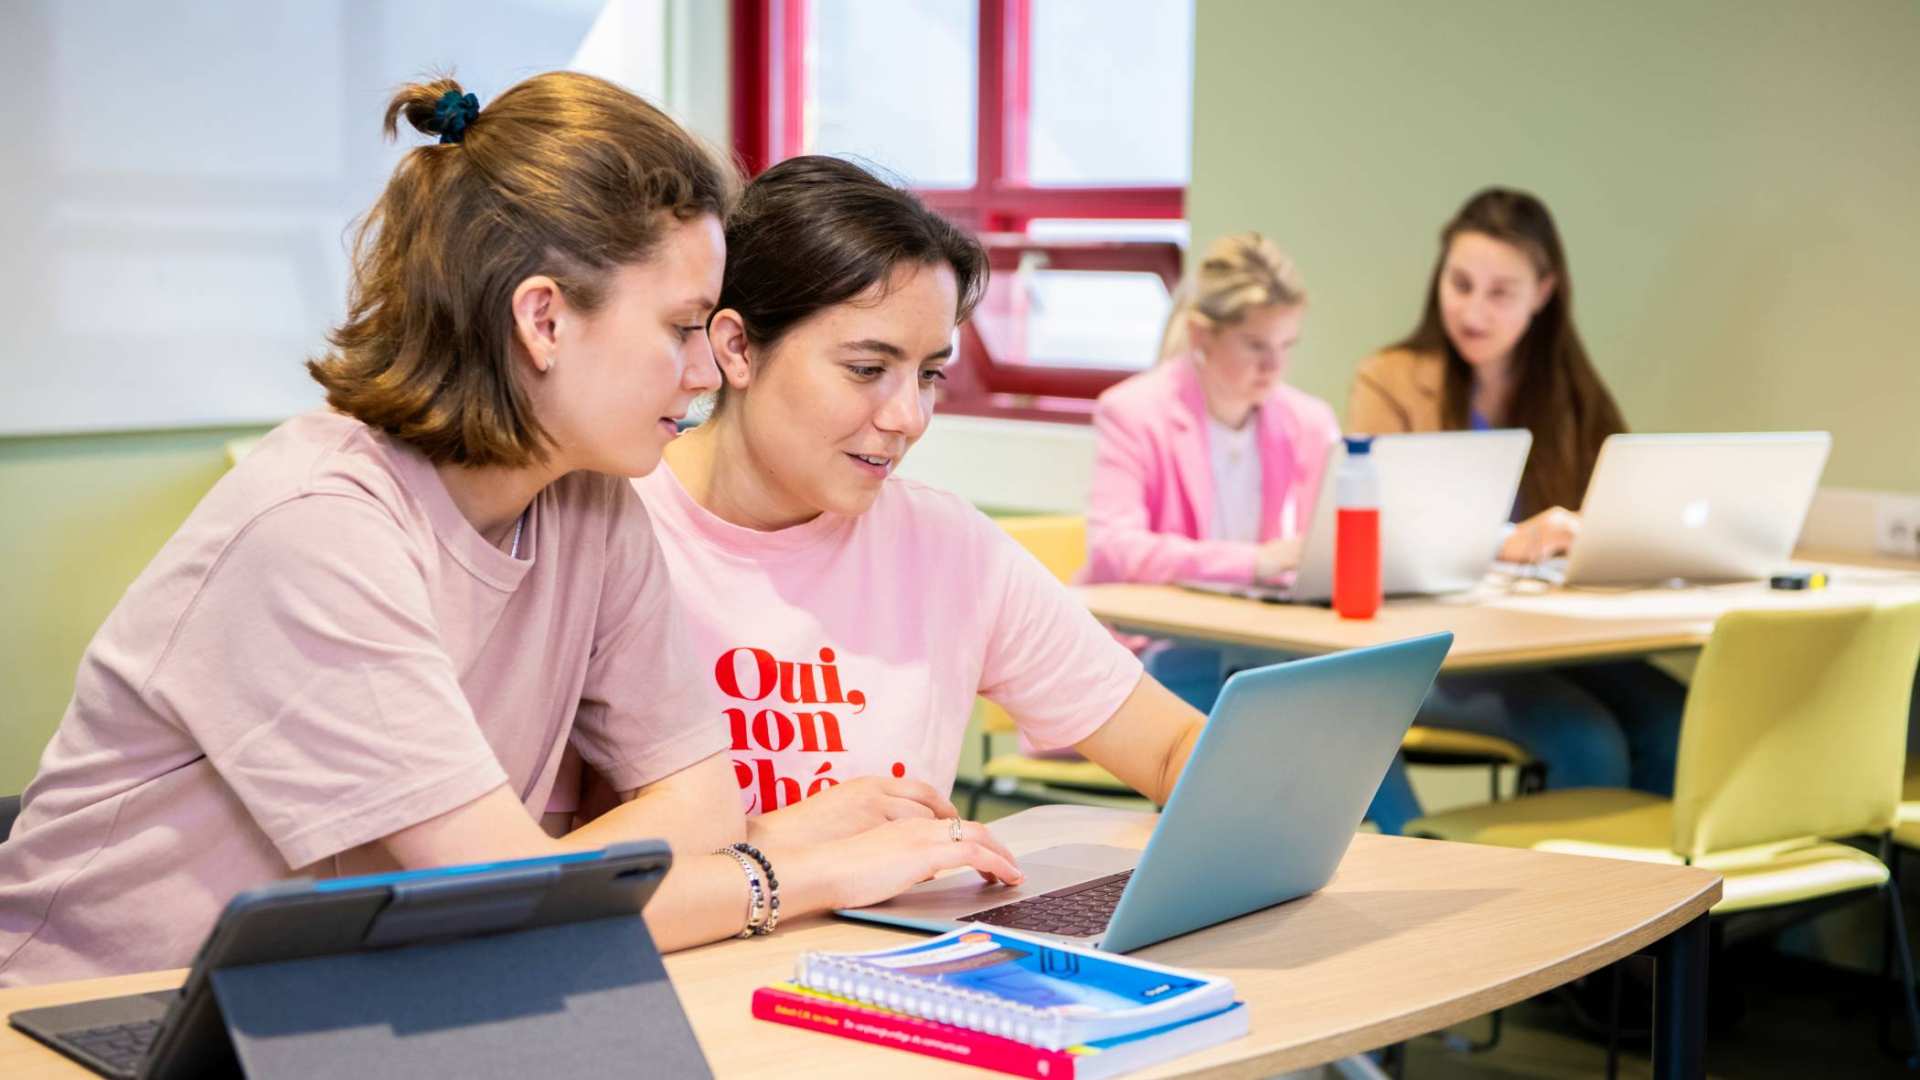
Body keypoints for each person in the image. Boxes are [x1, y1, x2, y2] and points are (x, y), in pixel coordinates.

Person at [0, 75, 1017, 987]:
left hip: (363, 1001)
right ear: (543, 320)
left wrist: (668, 864)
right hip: (97, 1020)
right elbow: (496, 903)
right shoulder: (317, 528)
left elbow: (692, 813)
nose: (708, 374)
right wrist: (780, 870)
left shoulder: (592, 503)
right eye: (678, 329)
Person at [560, 155, 1209, 842]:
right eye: (867, 370)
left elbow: (1170, 748)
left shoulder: (947, 546)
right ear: (738, 347)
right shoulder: (601, 531)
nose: (909, 417)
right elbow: (522, 868)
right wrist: (778, 839)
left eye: (929, 375)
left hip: (893, 942)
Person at [1348, 187, 1684, 796]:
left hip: (1552, 638)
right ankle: (1576, 896)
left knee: (1674, 723)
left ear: (1544, 292)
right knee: (1588, 741)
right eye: (1460, 283)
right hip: (1437, 651)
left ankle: (1654, 889)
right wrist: (1509, 543)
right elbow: (1375, 534)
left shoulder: (1569, 391)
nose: (1474, 310)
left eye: (1500, 292)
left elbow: (1624, 504)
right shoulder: (1391, 379)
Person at [1078, 232, 1418, 831]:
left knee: (1346, 703)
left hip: (1263, 646)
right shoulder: (1134, 411)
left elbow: (1326, 543)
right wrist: (1254, 562)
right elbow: (1114, 547)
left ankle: (1409, 842)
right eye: (1256, 344)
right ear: (1203, 335)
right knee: (1258, 705)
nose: (1274, 366)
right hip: (1157, 652)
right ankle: (1243, 854)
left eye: (1287, 345)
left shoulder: (1306, 419)